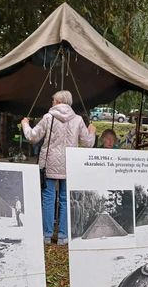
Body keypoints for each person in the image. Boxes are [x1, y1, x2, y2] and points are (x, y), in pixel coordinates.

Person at [21, 90, 96, 245]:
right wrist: (92, 132)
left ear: (58, 102)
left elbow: (32, 137)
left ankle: (46, 235)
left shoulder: (49, 118)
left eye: (53, 100)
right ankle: (63, 237)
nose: (52, 102)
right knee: (65, 199)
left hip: (50, 164)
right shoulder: (78, 120)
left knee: (48, 198)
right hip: (70, 164)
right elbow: (88, 143)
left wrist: (25, 124)